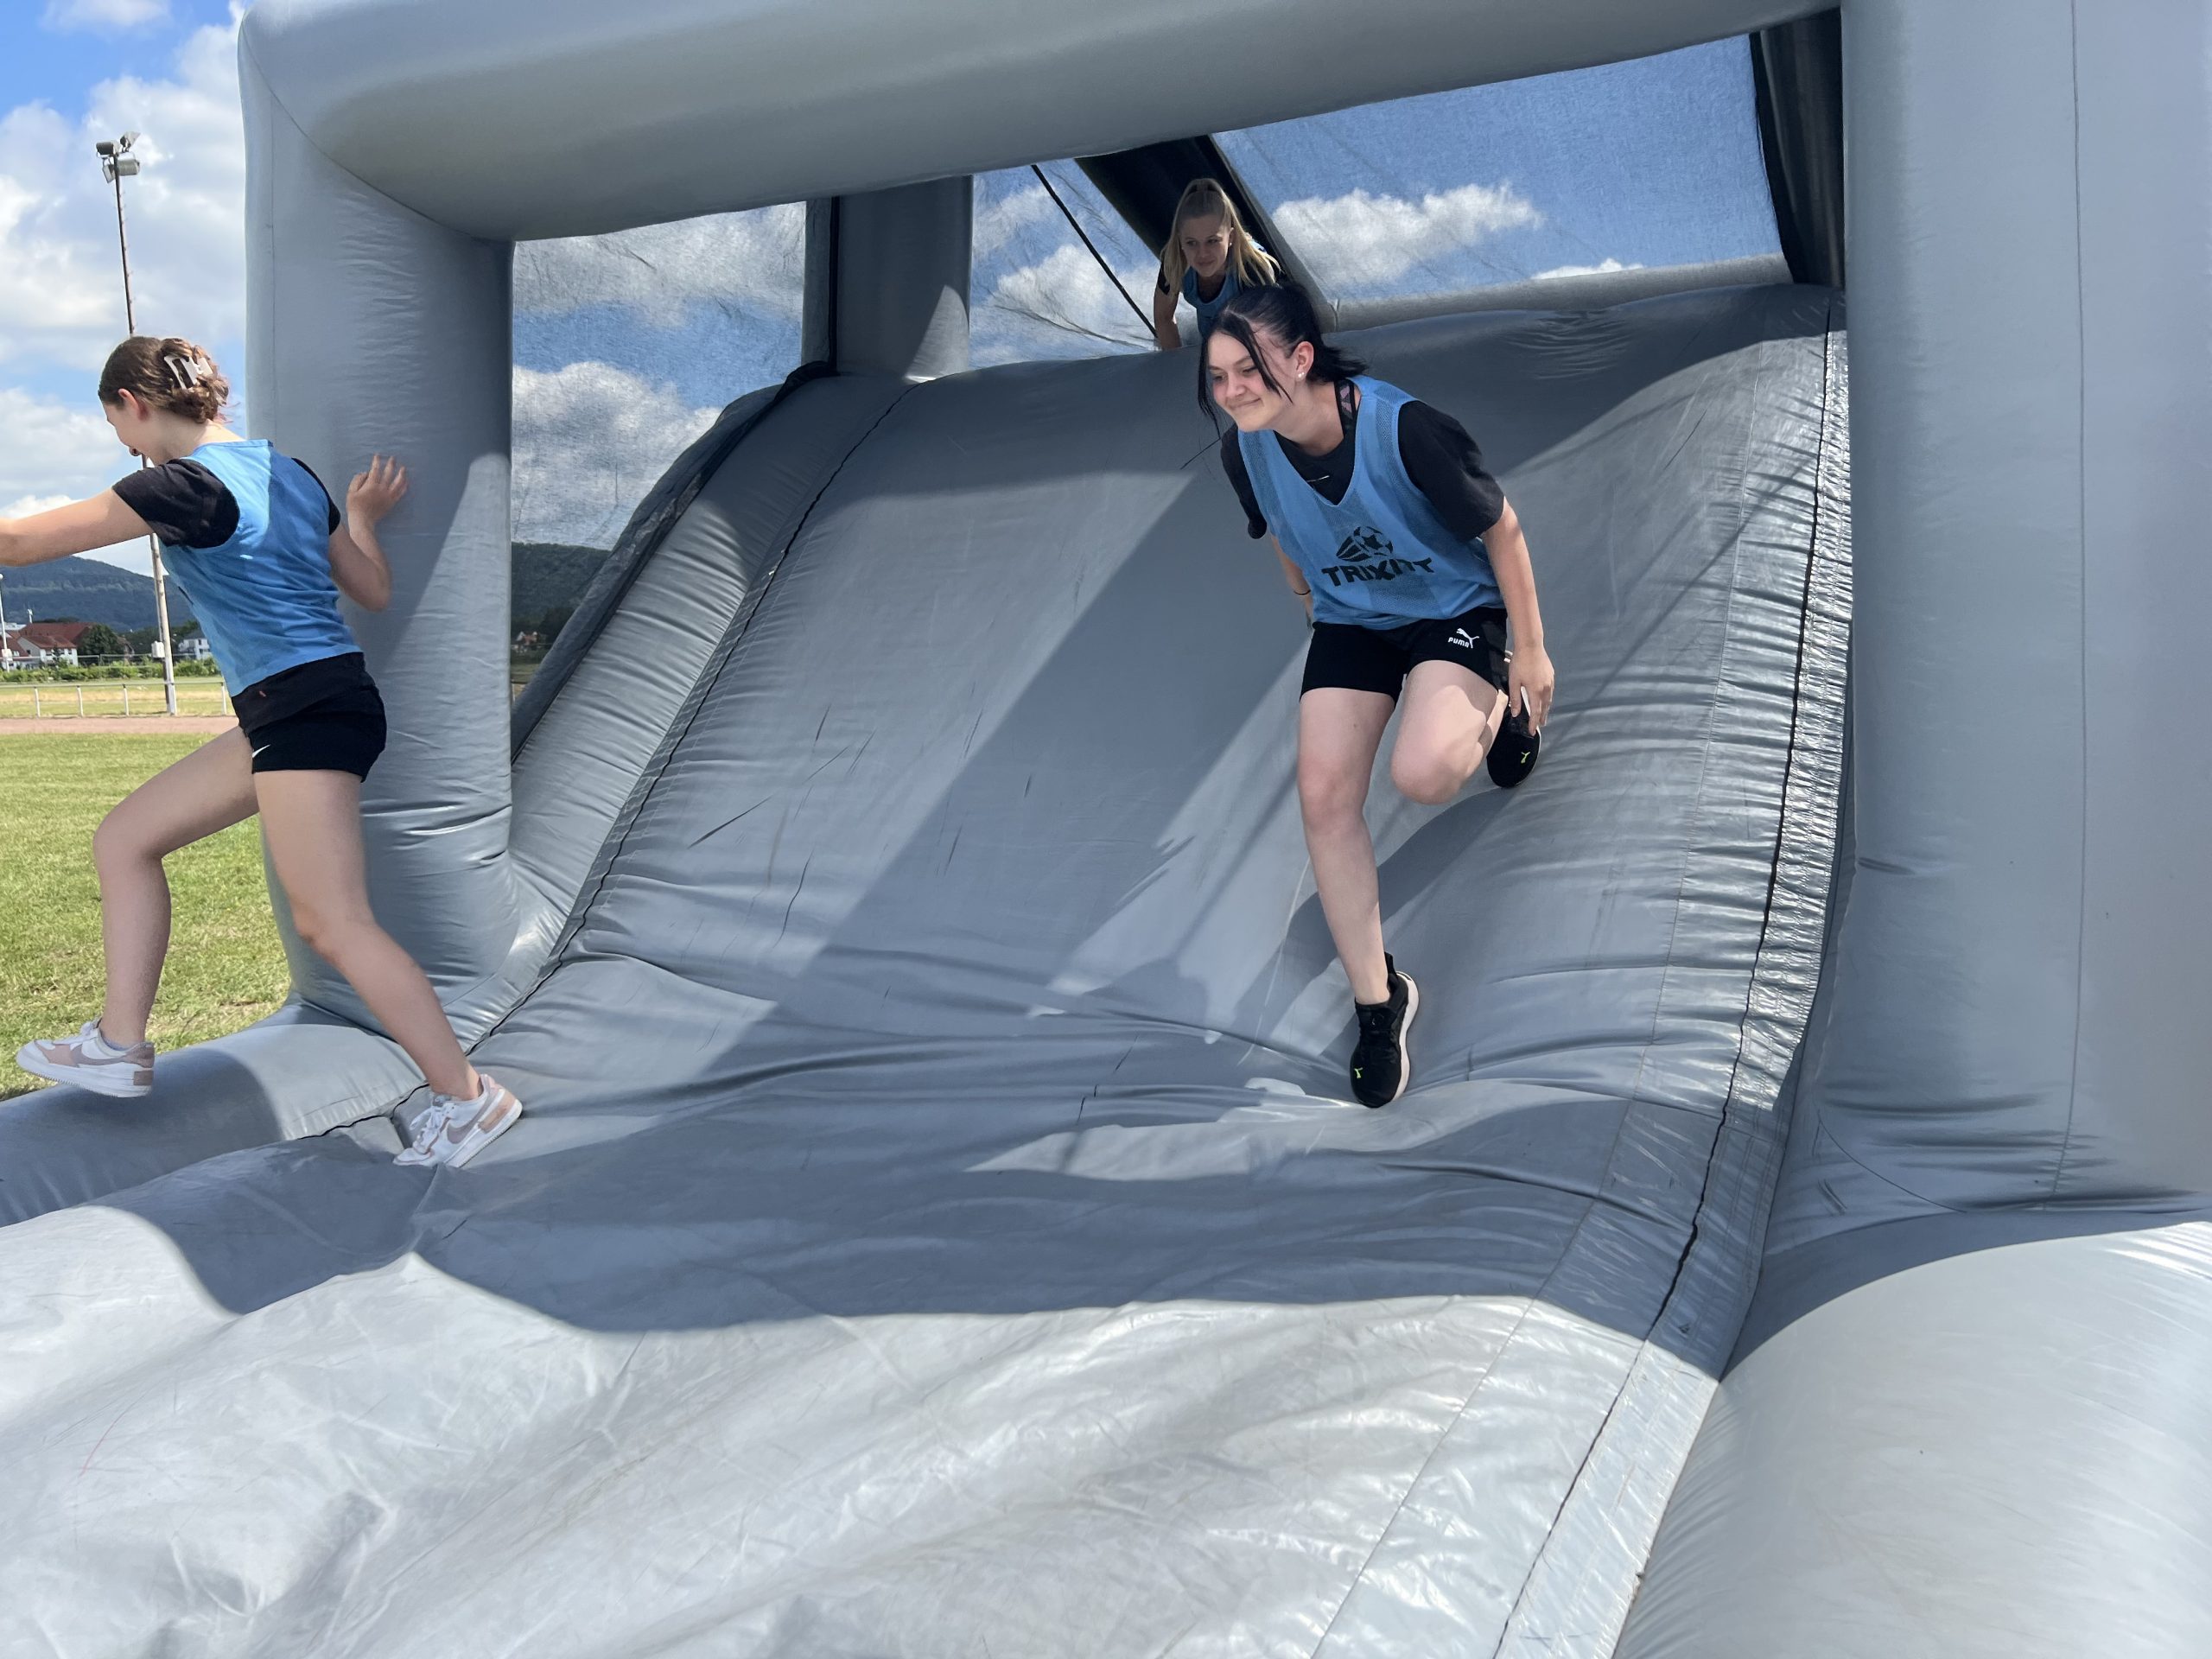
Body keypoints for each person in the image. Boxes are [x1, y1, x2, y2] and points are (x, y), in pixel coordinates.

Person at [0, 336, 521, 1169]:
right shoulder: (291, 474)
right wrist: (360, 520)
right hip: (310, 705)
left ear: (134, 404)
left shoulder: (181, 486)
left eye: (116, 427)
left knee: (333, 922)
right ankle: (117, 1045)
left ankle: (468, 1098)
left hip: (303, 710)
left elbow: (16, 544)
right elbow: (372, 588)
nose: (125, 446)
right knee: (125, 838)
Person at [1204, 284, 1554, 1108]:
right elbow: (1282, 530)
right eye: (1217, 377)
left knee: (1425, 774)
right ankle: (1379, 998)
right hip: (1353, 618)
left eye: (1247, 370)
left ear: (1301, 358)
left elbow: (1501, 528)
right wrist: (1307, 601)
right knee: (1323, 797)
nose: (1233, 392)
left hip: (1451, 609)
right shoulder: (1244, 450)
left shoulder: (1405, 429)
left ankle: (1500, 701)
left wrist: (1533, 652)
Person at [1152, 177, 1281, 350]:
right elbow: (1163, 318)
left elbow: (1268, 335)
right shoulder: (1175, 261)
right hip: (1211, 341)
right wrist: (1176, 362)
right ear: (1180, 241)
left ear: (1231, 237)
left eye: (1212, 241)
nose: (1202, 253)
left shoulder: (1252, 267)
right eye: (1191, 243)